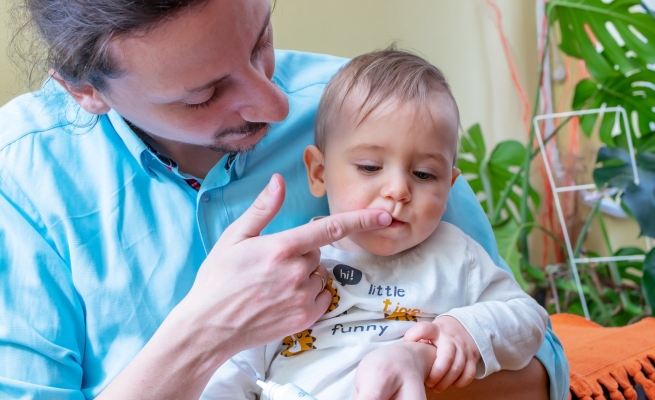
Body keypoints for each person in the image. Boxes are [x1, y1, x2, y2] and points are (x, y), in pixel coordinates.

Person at [0, 0, 568, 399]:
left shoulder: (369, 108)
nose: (276, 106)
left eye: (260, 40)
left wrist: (413, 365)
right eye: (205, 96)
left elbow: (540, 365)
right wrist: (204, 333)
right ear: (85, 92)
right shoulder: (24, 179)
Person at [202, 49, 549, 400]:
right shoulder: (290, 262)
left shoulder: (457, 255)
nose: (398, 190)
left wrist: (464, 331)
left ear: (449, 186)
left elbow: (529, 320)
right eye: (370, 167)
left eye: (424, 174)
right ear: (319, 172)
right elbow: (235, 366)